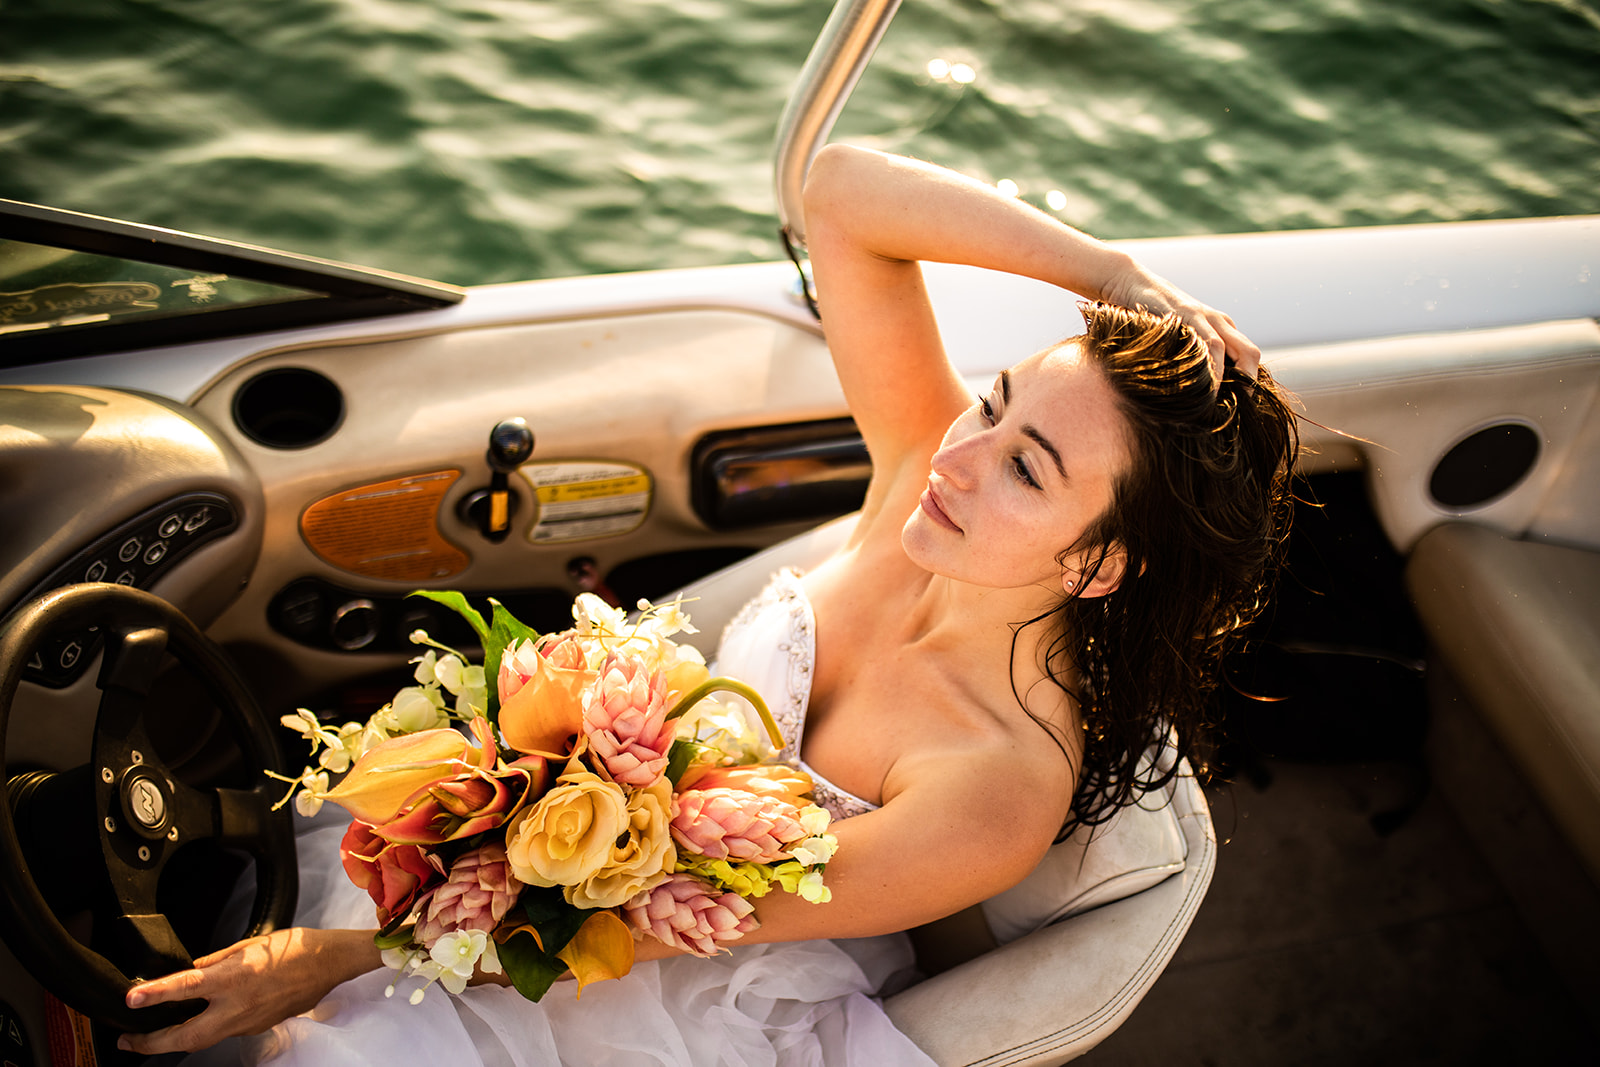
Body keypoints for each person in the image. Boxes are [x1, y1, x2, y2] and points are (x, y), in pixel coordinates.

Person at [120, 144, 1296, 1063]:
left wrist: (335, 959)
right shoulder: (915, 489)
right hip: (563, 881)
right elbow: (840, 192)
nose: (959, 455)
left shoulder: (994, 787)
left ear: (1097, 567)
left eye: (1027, 466)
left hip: (661, 986)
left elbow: (636, 928)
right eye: (991, 401)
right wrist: (1112, 278)